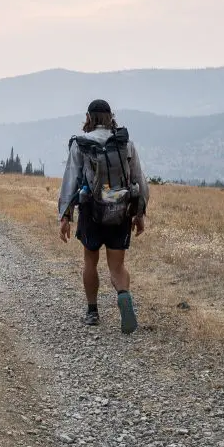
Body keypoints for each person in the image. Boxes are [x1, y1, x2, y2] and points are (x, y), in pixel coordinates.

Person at [58, 99, 149, 334]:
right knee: (117, 266)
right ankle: (123, 295)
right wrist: (139, 214)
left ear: (88, 117)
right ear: (111, 117)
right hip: (120, 210)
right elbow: (139, 179)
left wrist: (65, 216)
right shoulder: (125, 143)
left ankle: (92, 312)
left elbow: (70, 181)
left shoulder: (81, 144)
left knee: (90, 261)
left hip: (92, 210)